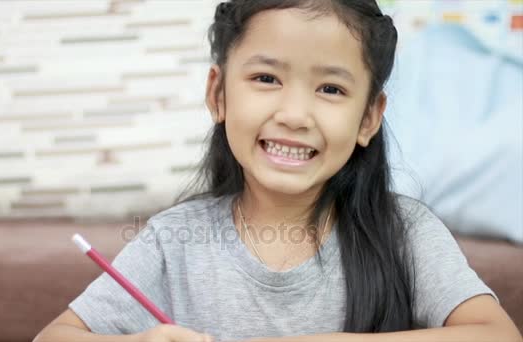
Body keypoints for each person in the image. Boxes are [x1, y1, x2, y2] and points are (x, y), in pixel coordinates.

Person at [34, 1, 522, 341]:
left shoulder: (405, 232)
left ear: (369, 117)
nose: (293, 114)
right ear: (219, 95)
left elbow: (497, 335)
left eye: (330, 89)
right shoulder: (172, 241)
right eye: (266, 78)